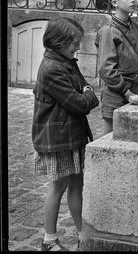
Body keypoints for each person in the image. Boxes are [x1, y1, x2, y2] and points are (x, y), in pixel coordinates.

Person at [32, 17, 99, 252]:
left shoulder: (67, 61)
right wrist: (88, 93)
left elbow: (85, 90)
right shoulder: (51, 68)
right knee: (57, 187)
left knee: (77, 186)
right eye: (75, 43)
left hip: (73, 135)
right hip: (58, 139)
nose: (78, 47)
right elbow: (80, 102)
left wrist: (87, 92)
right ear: (59, 42)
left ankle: (83, 235)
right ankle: (48, 240)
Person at [96, 0, 138, 134]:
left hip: (137, 92)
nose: (133, 0)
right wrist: (126, 92)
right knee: (109, 138)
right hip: (116, 95)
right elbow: (106, 69)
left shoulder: (136, 27)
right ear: (115, 3)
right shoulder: (108, 31)